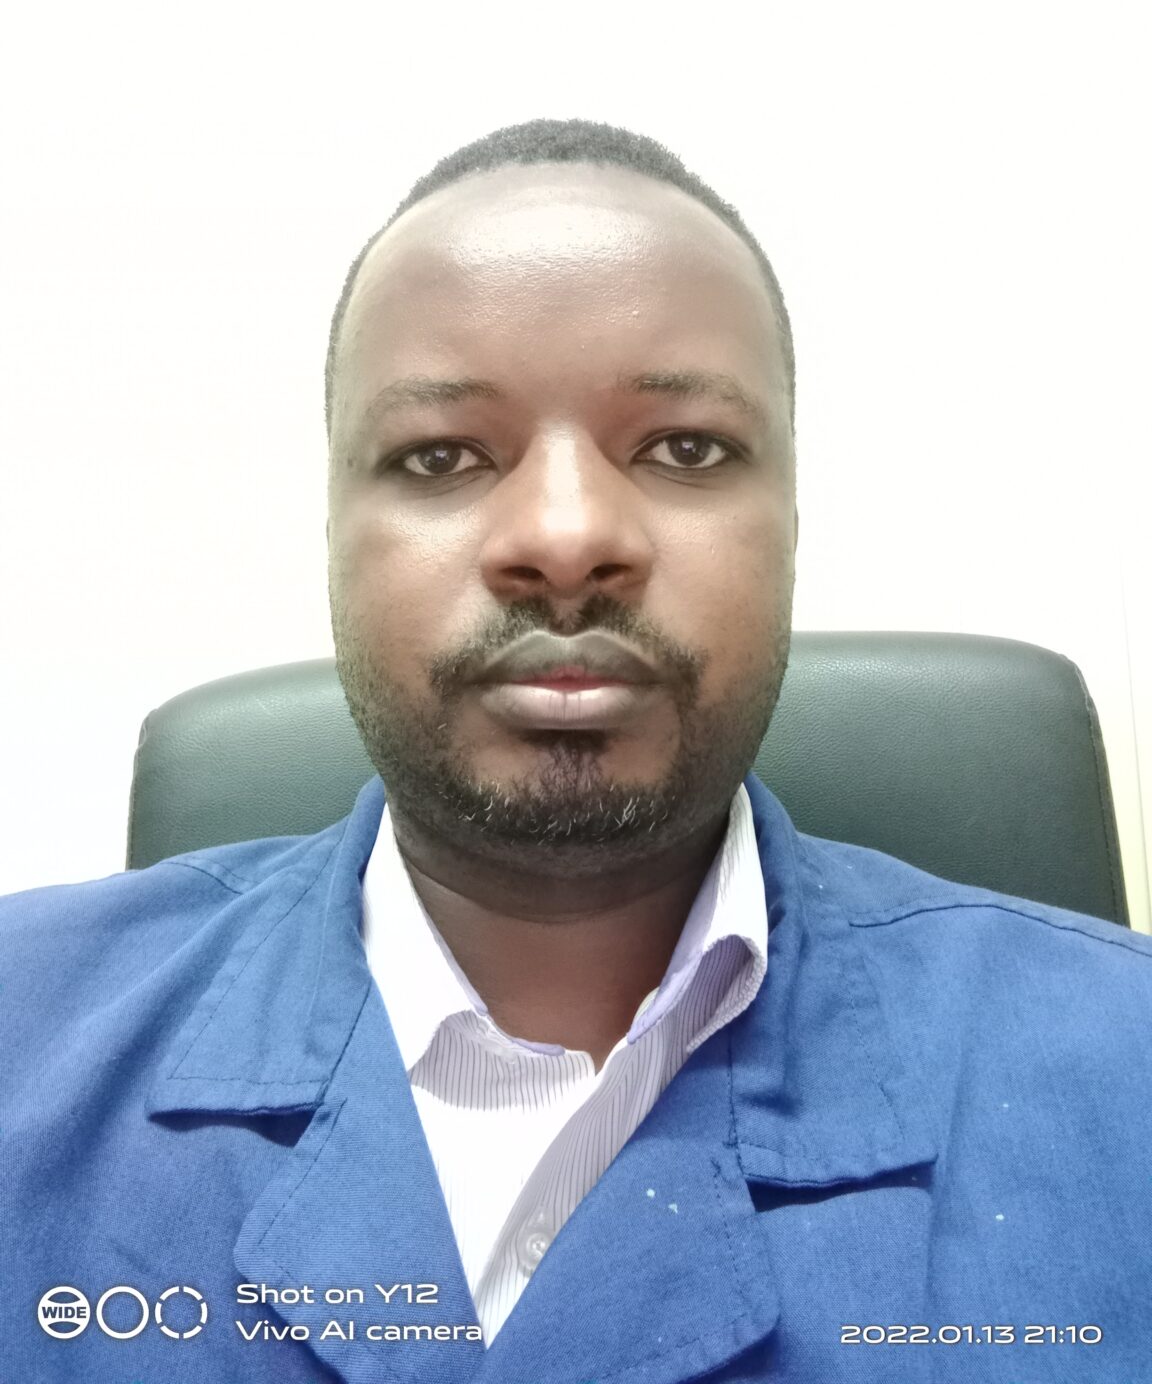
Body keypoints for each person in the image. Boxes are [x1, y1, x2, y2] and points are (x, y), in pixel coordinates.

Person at [3, 118, 1151, 1383]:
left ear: (791, 518)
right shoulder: (21, 1031)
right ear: (334, 532)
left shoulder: (1125, 1073)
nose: (563, 537)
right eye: (442, 455)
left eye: (685, 448)